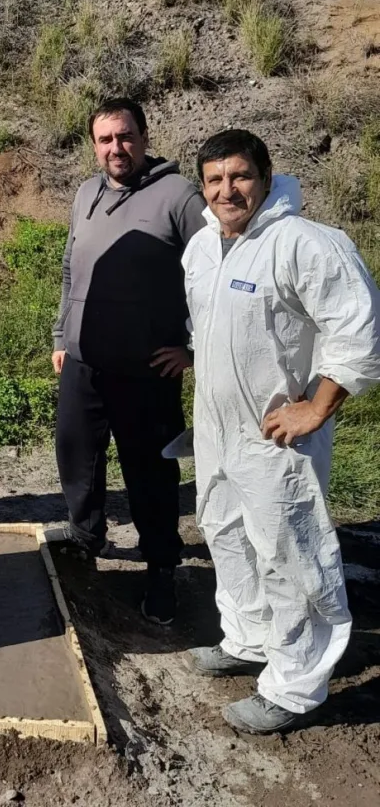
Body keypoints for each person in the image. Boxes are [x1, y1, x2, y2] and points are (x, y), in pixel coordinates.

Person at [182, 129, 380, 734]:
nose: (227, 190)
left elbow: (358, 333)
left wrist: (316, 408)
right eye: (215, 180)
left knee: (289, 552)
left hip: (276, 438)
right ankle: (247, 638)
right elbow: (213, 327)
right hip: (218, 431)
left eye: (239, 176)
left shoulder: (305, 243)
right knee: (225, 532)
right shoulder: (201, 248)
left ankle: (296, 686)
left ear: (266, 176)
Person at [50, 97, 207, 625]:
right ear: (94, 146)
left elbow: (216, 274)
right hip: (83, 360)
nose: (117, 148)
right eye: (105, 140)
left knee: (150, 473)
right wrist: (61, 334)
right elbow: (72, 268)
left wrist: (194, 349)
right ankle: (85, 535)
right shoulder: (86, 193)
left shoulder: (179, 197)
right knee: (76, 454)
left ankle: (161, 568)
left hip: (147, 371)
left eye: (125, 136)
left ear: (144, 136)